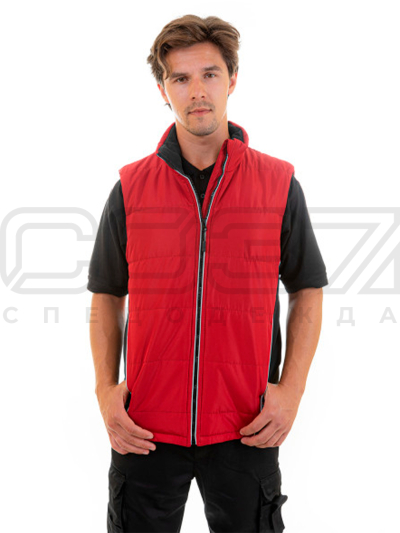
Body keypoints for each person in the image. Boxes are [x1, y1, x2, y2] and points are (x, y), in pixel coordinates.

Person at [88, 14, 328, 533]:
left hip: (247, 426)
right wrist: (105, 390)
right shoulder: (130, 188)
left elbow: (307, 287)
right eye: (180, 78)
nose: (197, 91)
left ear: (232, 80)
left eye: (210, 74)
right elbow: (106, 293)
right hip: (144, 429)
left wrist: (291, 391)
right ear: (163, 90)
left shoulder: (278, 184)